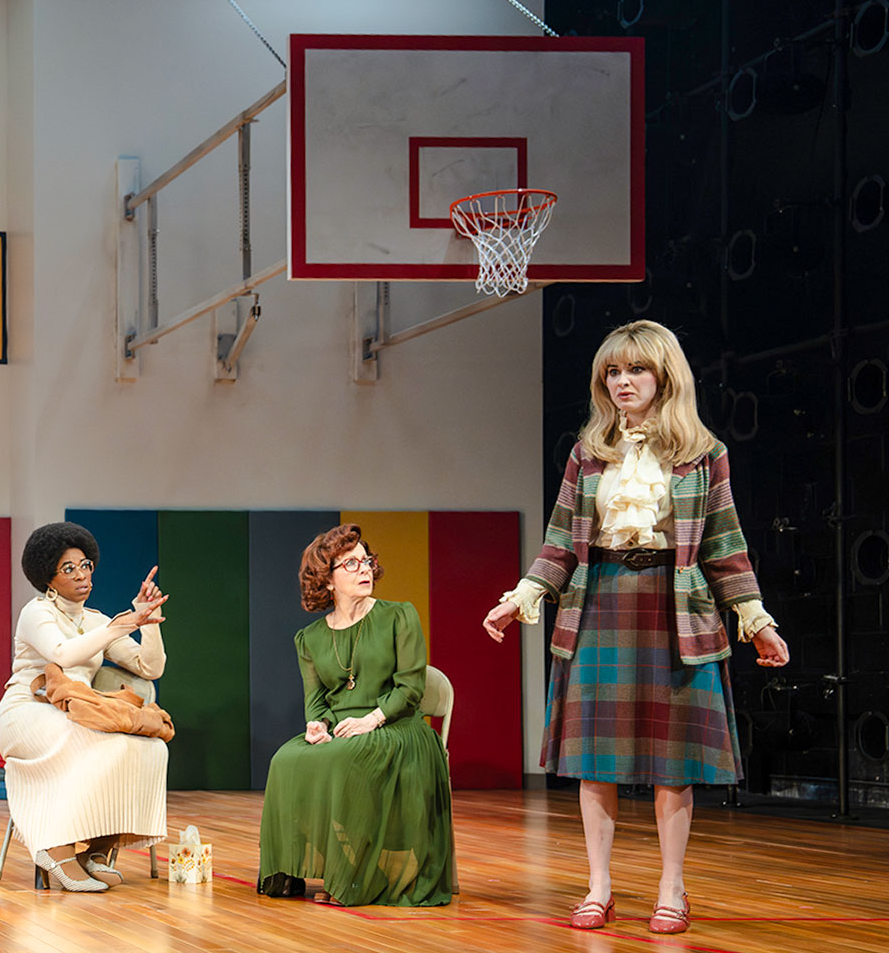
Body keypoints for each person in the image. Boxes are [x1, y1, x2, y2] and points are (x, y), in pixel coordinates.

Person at [482, 319, 790, 934]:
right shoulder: (587, 453)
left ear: (664, 376)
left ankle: (671, 888)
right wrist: (522, 596)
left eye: (635, 370)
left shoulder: (705, 456)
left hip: (676, 611)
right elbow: (560, 543)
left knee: (671, 762)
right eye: (613, 373)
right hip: (599, 605)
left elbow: (725, 548)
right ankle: (599, 886)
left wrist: (757, 622)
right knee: (596, 758)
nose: (622, 382)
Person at [256, 523, 455, 908]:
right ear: (326, 581)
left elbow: (411, 689)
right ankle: (299, 872)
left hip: (397, 727)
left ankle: (352, 877)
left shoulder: (399, 616)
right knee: (286, 759)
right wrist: (317, 725)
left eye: (367, 561)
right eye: (351, 564)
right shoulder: (310, 638)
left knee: (348, 759)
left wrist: (372, 719)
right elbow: (316, 699)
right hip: (344, 730)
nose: (365, 569)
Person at [0, 522, 170, 893]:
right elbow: (61, 653)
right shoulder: (36, 612)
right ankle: (54, 848)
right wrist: (117, 628)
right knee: (84, 739)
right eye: (68, 568)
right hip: (26, 711)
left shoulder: (96, 621)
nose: (81, 574)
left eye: (85, 564)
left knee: (149, 748)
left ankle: (99, 848)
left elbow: (149, 668)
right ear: (49, 578)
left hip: (74, 711)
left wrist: (147, 621)